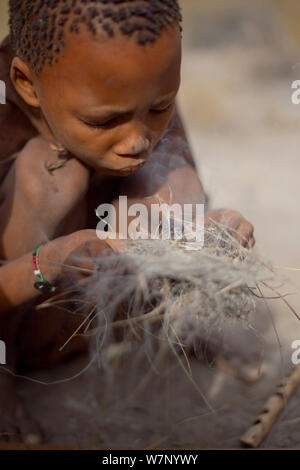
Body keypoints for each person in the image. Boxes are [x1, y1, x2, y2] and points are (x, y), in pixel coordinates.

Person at [0, 0, 255, 444]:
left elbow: (178, 192)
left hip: (94, 308)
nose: (137, 139)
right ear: (26, 83)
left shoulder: (133, 86)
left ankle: (166, 318)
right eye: (106, 120)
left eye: (160, 107)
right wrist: (47, 263)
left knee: (171, 176)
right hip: (24, 318)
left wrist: (207, 242)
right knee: (50, 174)